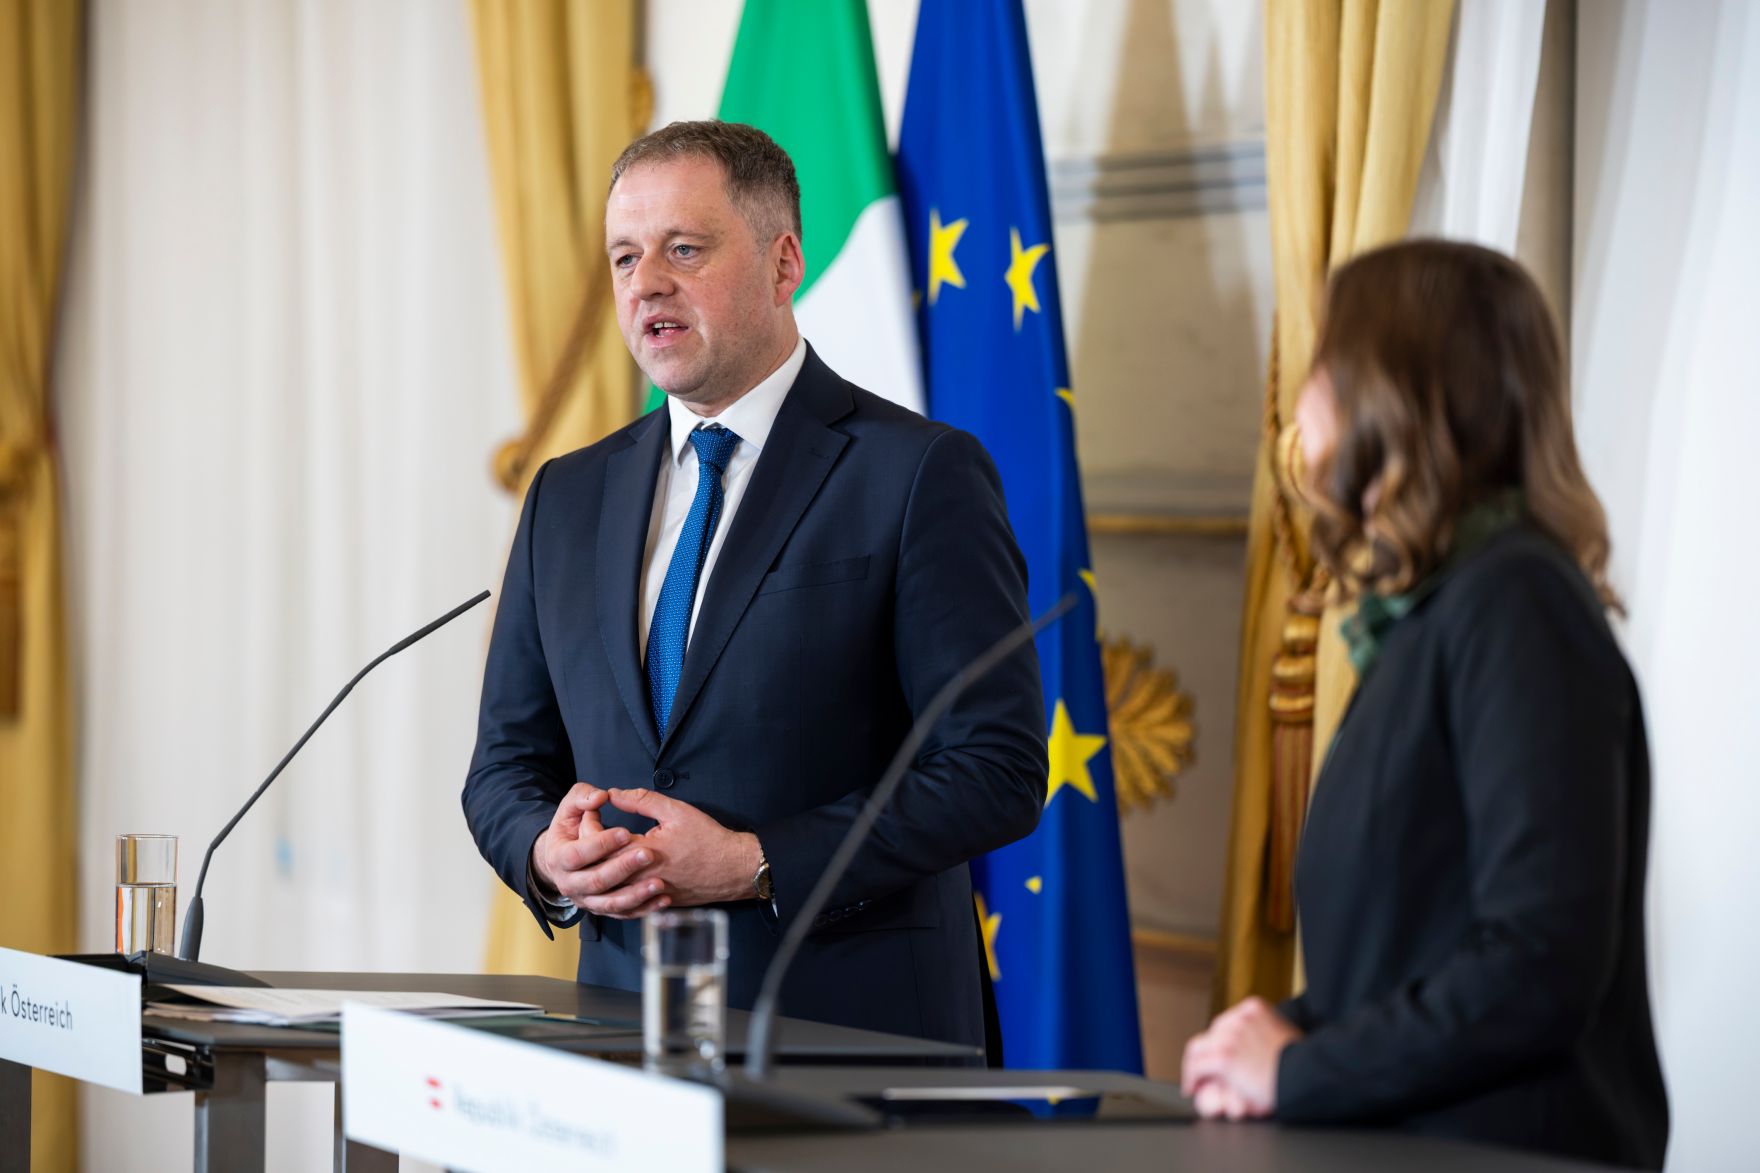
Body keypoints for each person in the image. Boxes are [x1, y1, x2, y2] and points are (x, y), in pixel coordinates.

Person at [462, 121, 1047, 1053]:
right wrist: (547, 852)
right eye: (624, 256)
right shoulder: (567, 497)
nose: (645, 281)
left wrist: (752, 862)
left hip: (850, 1040)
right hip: (625, 1039)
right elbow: (503, 766)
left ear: (784, 265)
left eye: (683, 249)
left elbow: (997, 770)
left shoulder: (917, 472)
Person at [1182, 240, 1669, 1170]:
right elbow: (1408, 951)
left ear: (1391, 388)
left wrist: (1301, 1072)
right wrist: (1270, 1039)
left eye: (1327, 361)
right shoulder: (1436, 614)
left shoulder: (1518, 602)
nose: (1305, 393)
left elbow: (1538, 962)